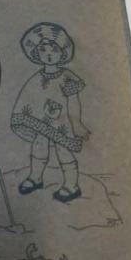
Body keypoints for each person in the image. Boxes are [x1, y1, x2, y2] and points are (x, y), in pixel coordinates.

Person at [11, 23, 90, 203]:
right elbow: (29, 97)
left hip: (63, 123)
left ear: (62, 53)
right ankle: (35, 178)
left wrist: (76, 123)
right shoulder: (37, 77)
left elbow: (73, 101)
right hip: (42, 120)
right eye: (43, 50)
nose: (48, 54)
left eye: (53, 50)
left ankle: (72, 185)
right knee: (39, 144)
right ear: (36, 53)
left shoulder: (67, 77)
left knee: (63, 150)